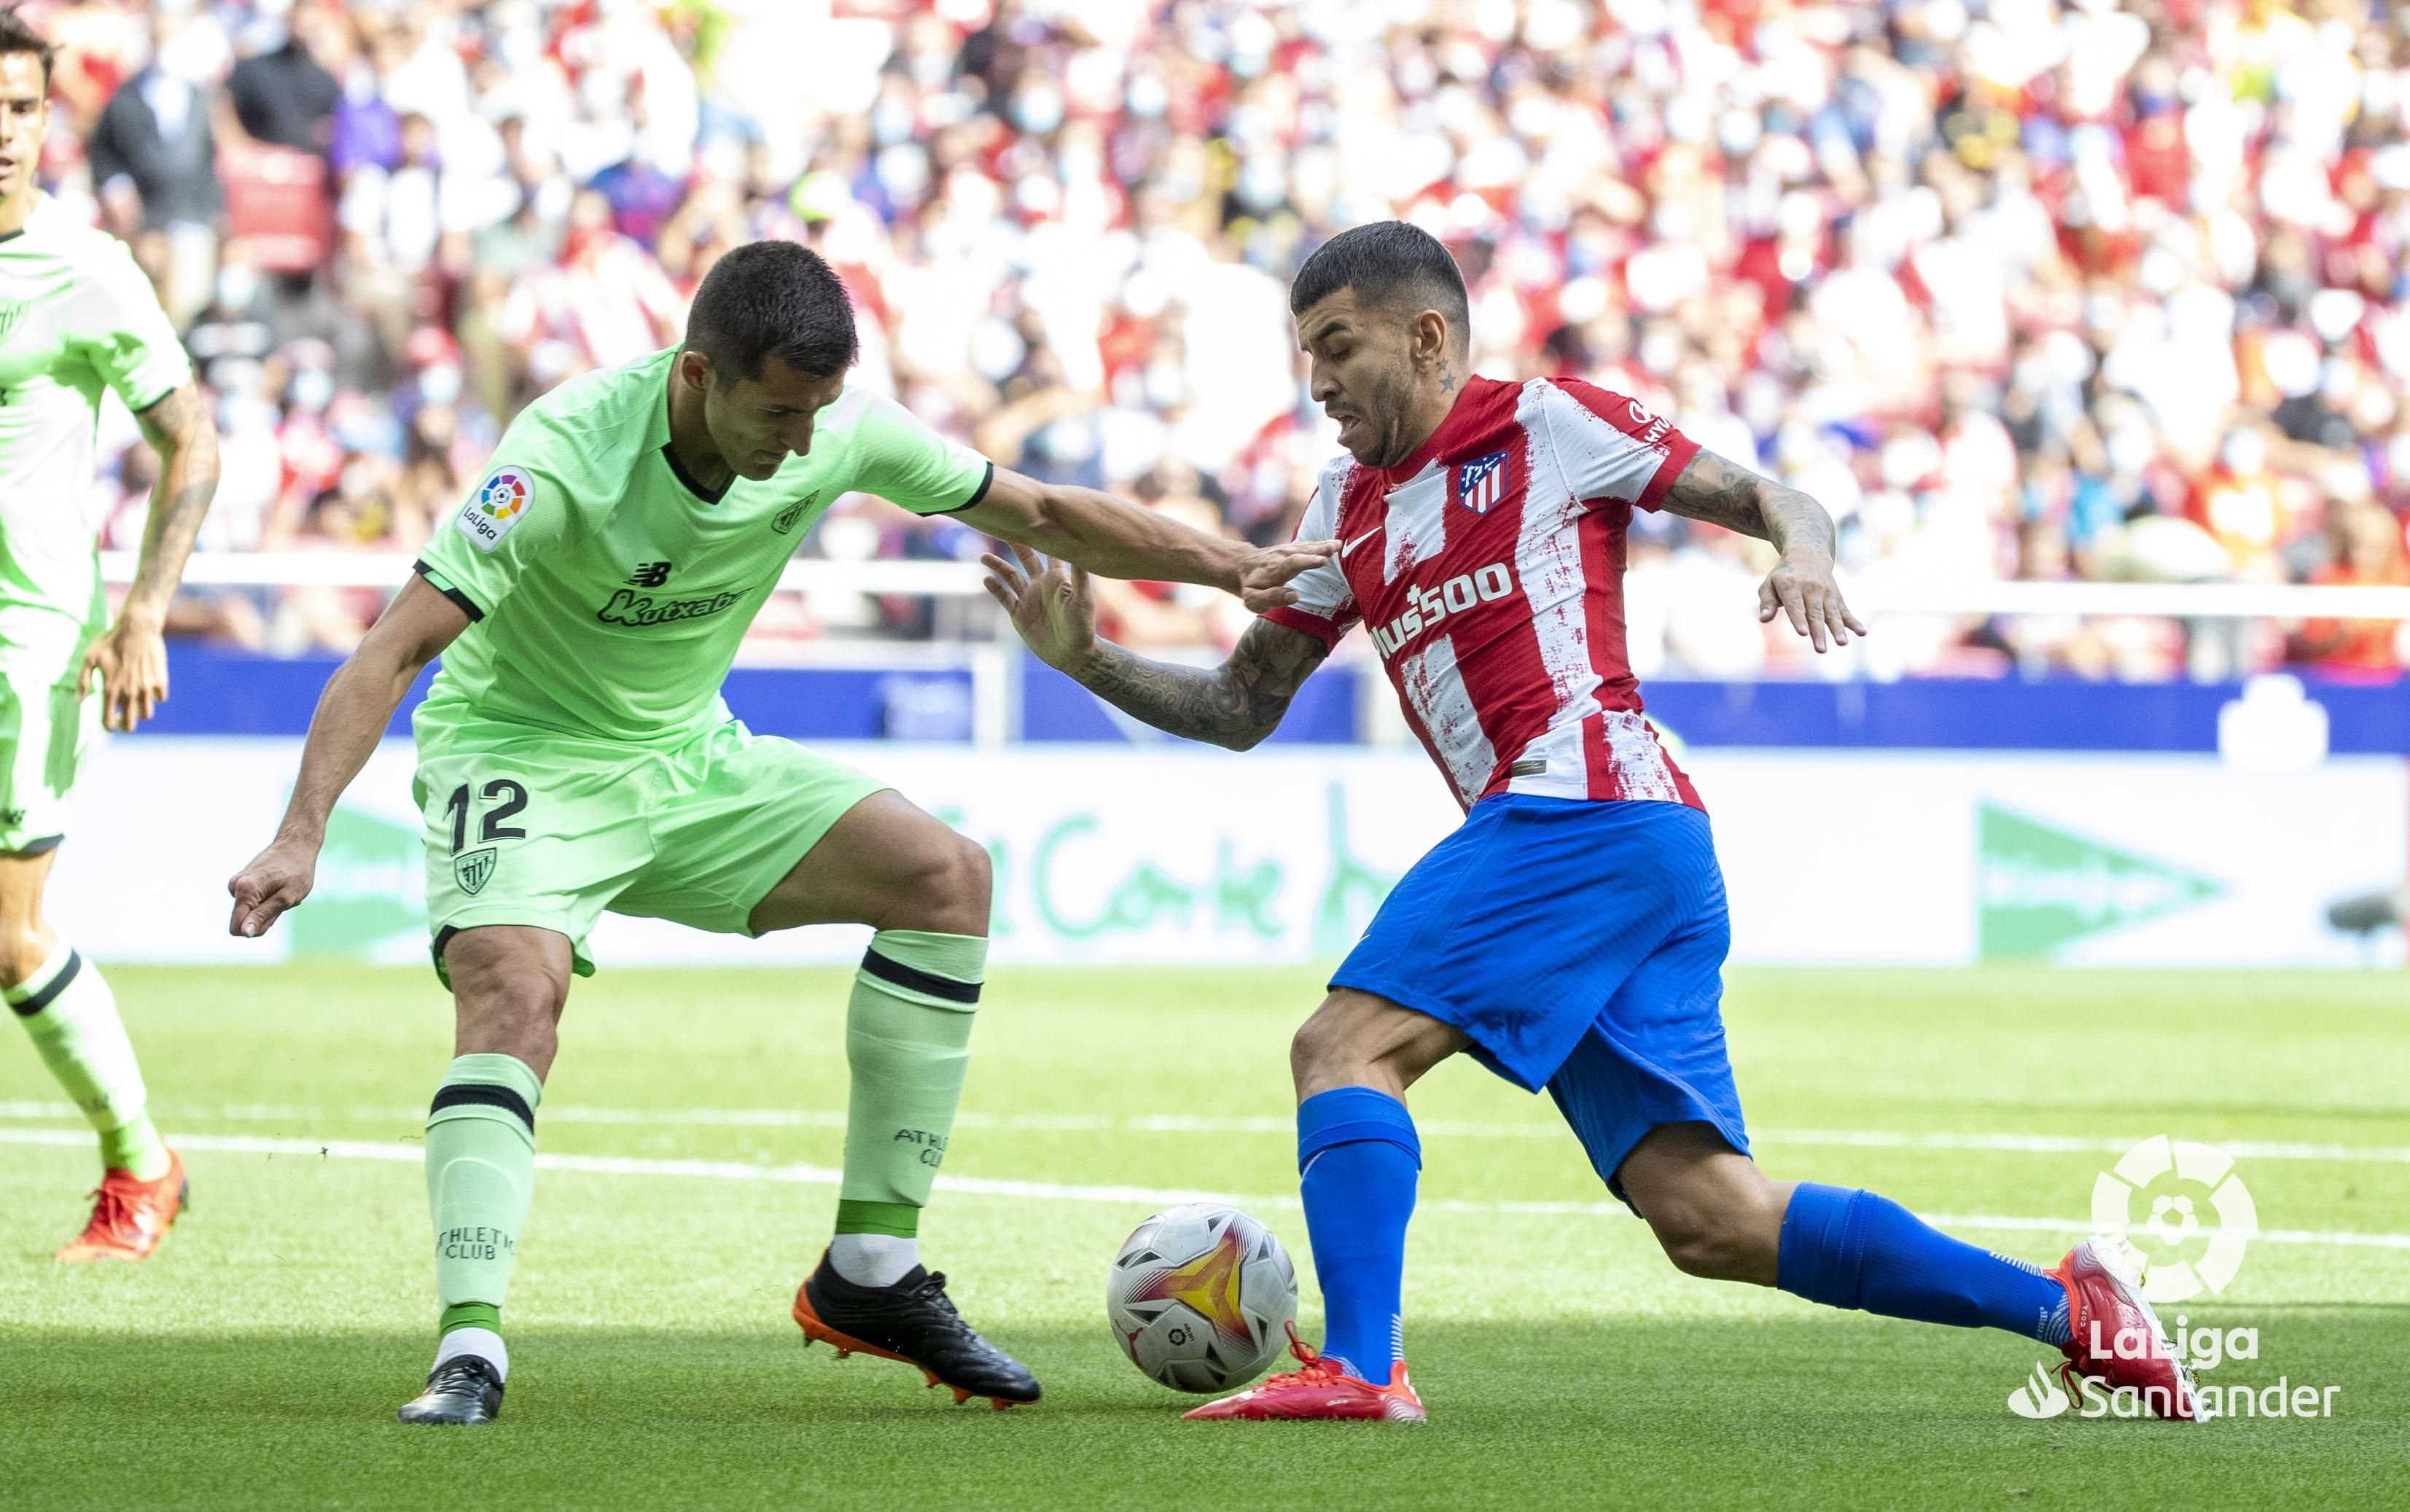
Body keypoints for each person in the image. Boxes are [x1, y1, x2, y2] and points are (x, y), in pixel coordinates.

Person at [983, 220, 2202, 1423]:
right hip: (1614, 845)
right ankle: (2071, 1309)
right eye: (1305, 353)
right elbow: (1243, 705)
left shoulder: (1548, 424)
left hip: (1587, 808)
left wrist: (1806, 555)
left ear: (1426, 337)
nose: (1316, 383)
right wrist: (1086, 658)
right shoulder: (1344, 502)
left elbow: (1778, 495)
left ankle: (1360, 1367)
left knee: (1341, 1047)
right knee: (1712, 1219)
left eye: (1337, 346)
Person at [222, 238, 1334, 1427]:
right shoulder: (560, 457)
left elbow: (1046, 508)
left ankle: (870, 1274)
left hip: (689, 758)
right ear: (698, 374)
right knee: (513, 991)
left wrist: (1232, 567)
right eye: (778, 413)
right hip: (521, 756)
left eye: (816, 413)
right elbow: (390, 647)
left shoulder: (839, 426)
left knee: (944, 876)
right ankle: (471, 1348)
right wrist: (302, 831)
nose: (801, 443)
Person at [0, 13, 220, 1262]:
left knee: (11, 933)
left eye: (20, 108)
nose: (1, 129)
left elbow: (193, 437)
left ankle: (143, 1165)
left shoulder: (84, 270)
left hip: (25, 644)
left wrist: (141, 609)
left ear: (44, 121)